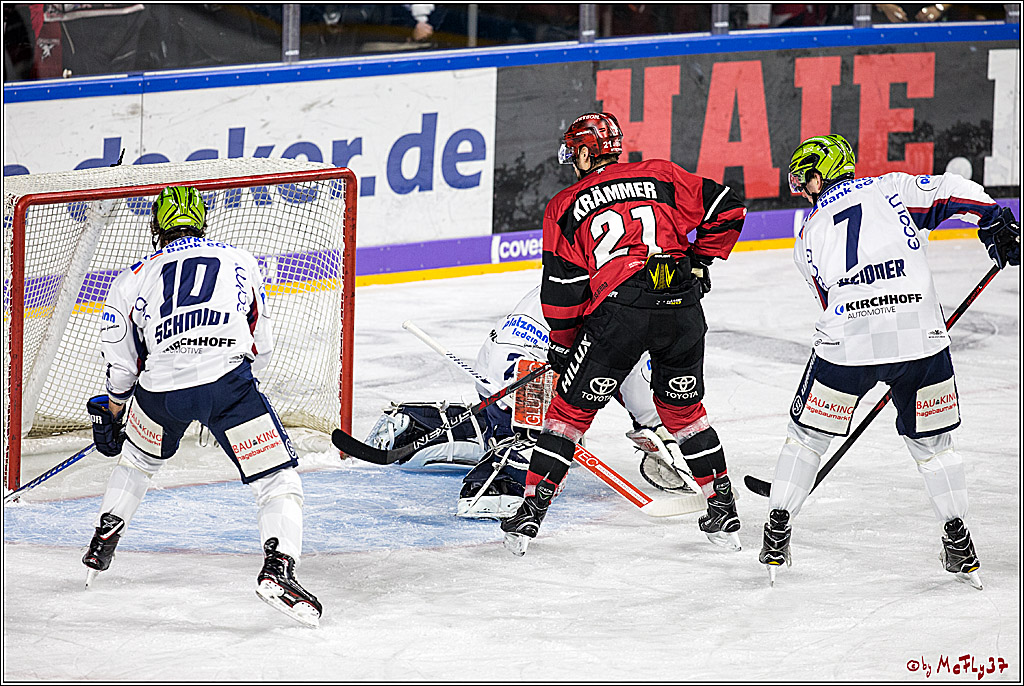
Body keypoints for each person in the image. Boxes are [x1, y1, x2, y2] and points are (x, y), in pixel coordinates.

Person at [758, 134, 1020, 587]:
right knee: (935, 448)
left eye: (806, 178)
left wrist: (872, 345)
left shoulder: (806, 235)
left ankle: (777, 532)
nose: (802, 188)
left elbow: (827, 299)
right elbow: (953, 189)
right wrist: (995, 220)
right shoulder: (892, 188)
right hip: (920, 340)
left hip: (849, 345)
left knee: (806, 439)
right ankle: (959, 542)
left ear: (823, 173)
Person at [499, 112, 746, 556]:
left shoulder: (564, 204)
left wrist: (563, 343)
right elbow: (729, 207)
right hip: (682, 308)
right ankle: (722, 504)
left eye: (574, 150)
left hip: (620, 314)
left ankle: (530, 512)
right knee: (684, 412)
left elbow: (562, 287)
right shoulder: (661, 174)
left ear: (585, 152)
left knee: (569, 414)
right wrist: (699, 259)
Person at [83, 186, 322, 628]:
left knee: (137, 461)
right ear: (203, 222)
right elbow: (262, 343)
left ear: (157, 227)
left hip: (160, 395)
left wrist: (116, 409)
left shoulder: (132, 277)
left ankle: (103, 540)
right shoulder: (240, 259)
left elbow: (122, 361)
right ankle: (279, 570)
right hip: (228, 388)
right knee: (277, 481)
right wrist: (229, 398)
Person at [366, 285, 703, 519]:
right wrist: (661, 432)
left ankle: (424, 428)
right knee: (553, 446)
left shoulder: (591, 276)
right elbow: (639, 391)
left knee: (523, 416)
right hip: (528, 380)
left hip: (497, 368)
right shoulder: (637, 310)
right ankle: (506, 474)